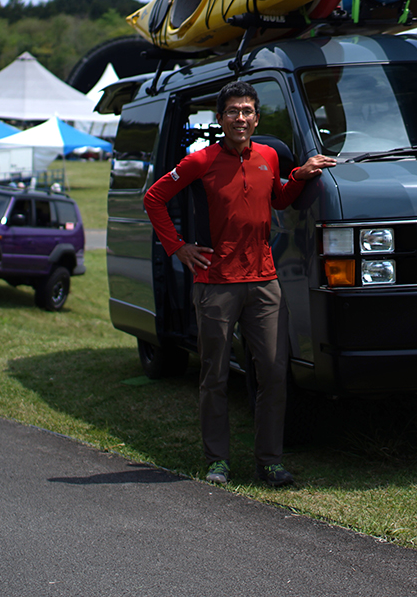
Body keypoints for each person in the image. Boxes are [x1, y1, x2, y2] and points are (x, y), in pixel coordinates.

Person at [143, 81, 335, 488]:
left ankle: (269, 462)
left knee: (273, 371)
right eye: (233, 111)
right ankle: (218, 461)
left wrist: (299, 175)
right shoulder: (201, 160)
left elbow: (279, 199)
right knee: (213, 375)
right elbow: (154, 198)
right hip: (216, 284)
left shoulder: (267, 156)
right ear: (220, 119)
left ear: (256, 118)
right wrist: (177, 248)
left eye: (247, 111)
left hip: (265, 283)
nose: (241, 118)